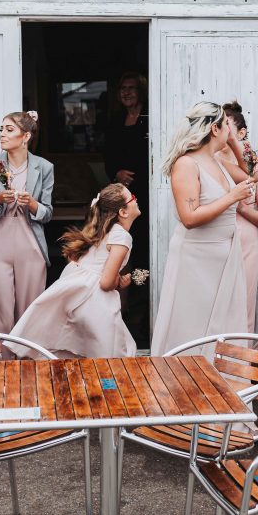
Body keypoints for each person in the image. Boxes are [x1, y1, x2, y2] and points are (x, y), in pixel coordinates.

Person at [150, 101, 258, 357]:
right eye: (226, 126)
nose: (229, 130)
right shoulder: (186, 164)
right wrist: (232, 197)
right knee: (193, 326)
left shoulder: (218, 162)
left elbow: (252, 173)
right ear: (214, 129)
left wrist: (233, 142)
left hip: (226, 256)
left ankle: (221, 388)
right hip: (196, 259)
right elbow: (189, 217)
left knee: (224, 327)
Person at [8, 183, 140, 359]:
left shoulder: (104, 230)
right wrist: (119, 281)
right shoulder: (122, 237)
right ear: (123, 212)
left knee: (76, 351)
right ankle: (106, 385)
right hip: (95, 299)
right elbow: (107, 282)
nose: (136, 199)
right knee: (115, 352)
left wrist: (117, 277)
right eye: (132, 198)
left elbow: (99, 266)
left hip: (78, 292)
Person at [0, 111, 53, 342]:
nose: (2, 134)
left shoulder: (44, 167)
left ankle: (29, 364)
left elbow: (48, 213)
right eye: (1, 129)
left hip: (30, 241)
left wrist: (33, 204)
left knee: (30, 307)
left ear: (25, 136)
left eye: (9, 129)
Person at [103, 72, 150, 345]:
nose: (127, 92)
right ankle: (119, 306)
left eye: (132, 88)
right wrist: (116, 172)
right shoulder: (115, 121)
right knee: (118, 252)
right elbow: (108, 155)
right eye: (123, 87)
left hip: (143, 200)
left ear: (141, 91)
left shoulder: (149, 119)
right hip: (120, 196)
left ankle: (140, 311)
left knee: (142, 255)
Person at [219, 101, 258, 331]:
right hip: (217, 237)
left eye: (226, 125)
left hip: (247, 239)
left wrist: (242, 208)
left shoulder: (255, 168)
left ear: (241, 133)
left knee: (245, 303)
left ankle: (241, 361)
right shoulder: (209, 163)